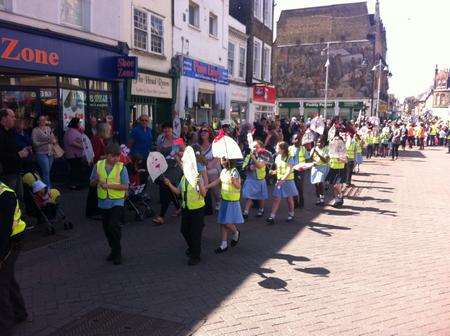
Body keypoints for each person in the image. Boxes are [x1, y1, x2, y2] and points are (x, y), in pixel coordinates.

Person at [90, 143, 129, 265]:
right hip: (104, 201)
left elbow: (125, 186)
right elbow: (91, 183)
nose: (116, 159)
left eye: (117, 156)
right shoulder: (98, 165)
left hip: (117, 201)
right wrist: (96, 181)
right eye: (113, 156)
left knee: (113, 225)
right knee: (106, 228)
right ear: (107, 155)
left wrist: (109, 185)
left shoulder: (122, 167)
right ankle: (113, 249)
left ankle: (117, 253)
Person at [163, 164, 207, 266]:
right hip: (186, 209)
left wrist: (199, 184)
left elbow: (204, 194)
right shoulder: (183, 178)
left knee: (195, 233)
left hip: (197, 209)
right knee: (184, 230)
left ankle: (196, 256)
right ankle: (192, 248)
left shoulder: (198, 177)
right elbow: (178, 192)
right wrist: (169, 184)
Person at [0, 180, 27, 336]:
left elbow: (3, 231)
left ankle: (5, 327)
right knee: (7, 278)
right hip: (6, 238)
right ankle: (19, 311)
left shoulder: (5, 195)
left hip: (12, 240)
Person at [207, 158, 243, 254]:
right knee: (222, 222)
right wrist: (207, 186)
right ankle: (224, 244)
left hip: (232, 201)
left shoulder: (234, 172)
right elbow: (217, 181)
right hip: (224, 200)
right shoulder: (223, 171)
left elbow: (239, 186)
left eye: (222, 160)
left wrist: (234, 182)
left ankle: (236, 232)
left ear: (227, 161)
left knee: (226, 222)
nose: (221, 162)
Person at [153, 123, 182, 225]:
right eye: (165, 131)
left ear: (172, 130)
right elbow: (157, 152)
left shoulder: (178, 139)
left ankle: (161, 216)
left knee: (166, 187)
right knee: (168, 188)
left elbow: (185, 151)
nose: (167, 133)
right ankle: (179, 207)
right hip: (164, 167)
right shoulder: (160, 140)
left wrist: (178, 154)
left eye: (169, 131)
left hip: (175, 167)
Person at [0, 108, 31, 198]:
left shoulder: (11, 132)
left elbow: (13, 148)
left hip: (16, 170)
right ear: (4, 118)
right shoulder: (1, 133)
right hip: (6, 174)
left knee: (19, 198)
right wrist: (19, 154)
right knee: (10, 200)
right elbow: (2, 155)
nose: (15, 119)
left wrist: (24, 149)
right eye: (12, 116)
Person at [266, 141, 298, 224]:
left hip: (288, 181)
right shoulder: (277, 157)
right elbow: (279, 169)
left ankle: (291, 214)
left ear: (283, 149)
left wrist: (282, 180)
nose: (275, 148)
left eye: (277, 147)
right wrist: (274, 172)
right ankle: (272, 217)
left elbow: (288, 171)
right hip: (279, 181)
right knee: (276, 198)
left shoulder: (289, 158)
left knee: (289, 199)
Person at [86, 123, 112, 219]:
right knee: (94, 189)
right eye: (108, 131)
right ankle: (93, 212)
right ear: (103, 131)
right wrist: (109, 156)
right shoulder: (96, 140)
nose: (109, 132)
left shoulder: (101, 140)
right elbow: (96, 157)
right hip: (96, 167)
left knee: (97, 189)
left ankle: (96, 210)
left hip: (100, 166)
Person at [241, 140, 268, 219]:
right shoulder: (248, 156)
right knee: (249, 196)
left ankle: (261, 209)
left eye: (256, 146)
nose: (254, 148)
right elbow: (243, 167)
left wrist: (254, 160)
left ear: (261, 147)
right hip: (250, 179)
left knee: (261, 196)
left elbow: (260, 166)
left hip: (259, 179)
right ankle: (246, 211)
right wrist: (249, 168)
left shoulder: (265, 155)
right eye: (253, 147)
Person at [198, 127, 220, 214]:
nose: (203, 133)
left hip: (214, 167)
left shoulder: (214, 144)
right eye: (201, 131)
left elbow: (217, 157)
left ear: (209, 133)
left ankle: (218, 199)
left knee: (210, 173)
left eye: (205, 131)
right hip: (201, 168)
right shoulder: (198, 146)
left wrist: (209, 165)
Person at [32, 115, 56, 188]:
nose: (43, 121)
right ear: (38, 121)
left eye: (44, 120)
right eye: (41, 120)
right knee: (46, 172)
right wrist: (46, 142)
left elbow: (53, 139)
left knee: (47, 171)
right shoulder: (35, 130)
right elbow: (34, 143)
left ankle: (42, 187)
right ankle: (48, 189)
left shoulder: (48, 128)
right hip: (41, 153)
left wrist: (53, 139)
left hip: (50, 153)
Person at [63, 118, 85, 190]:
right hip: (73, 155)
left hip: (76, 155)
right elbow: (71, 142)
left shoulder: (74, 131)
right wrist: (82, 146)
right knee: (74, 170)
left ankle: (75, 184)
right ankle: (73, 185)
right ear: (75, 123)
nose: (79, 124)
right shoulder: (71, 131)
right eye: (79, 123)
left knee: (76, 169)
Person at [289, 133, 310, 209]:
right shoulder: (289, 149)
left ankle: (301, 203)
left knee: (299, 187)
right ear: (292, 140)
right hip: (292, 170)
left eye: (299, 138)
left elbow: (307, 159)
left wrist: (305, 166)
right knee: (292, 187)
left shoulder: (303, 149)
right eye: (296, 138)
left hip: (300, 171)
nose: (298, 140)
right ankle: (295, 203)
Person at [327, 135, 347, 207]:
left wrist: (339, 159)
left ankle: (341, 195)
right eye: (334, 139)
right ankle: (337, 201)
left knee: (336, 185)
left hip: (340, 170)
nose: (335, 141)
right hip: (333, 169)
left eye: (337, 140)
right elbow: (329, 158)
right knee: (333, 186)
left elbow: (346, 161)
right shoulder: (331, 149)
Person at [310, 137, 329, 206]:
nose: (319, 143)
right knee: (316, 184)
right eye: (318, 142)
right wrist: (312, 153)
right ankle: (318, 199)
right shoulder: (314, 149)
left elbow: (326, 160)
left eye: (321, 142)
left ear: (323, 143)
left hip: (323, 167)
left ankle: (322, 199)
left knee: (320, 182)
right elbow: (310, 159)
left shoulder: (326, 149)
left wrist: (318, 153)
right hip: (315, 168)